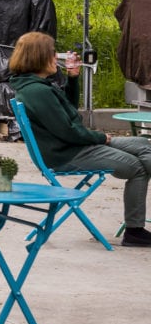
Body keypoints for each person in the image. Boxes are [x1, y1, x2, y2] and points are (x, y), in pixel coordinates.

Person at [8, 31, 151, 248]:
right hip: (68, 153)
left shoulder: (34, 85)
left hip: (72, 146)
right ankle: (134, 232)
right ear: (39, 57)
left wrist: (73, 78)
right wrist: (100, 137)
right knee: (137, 167)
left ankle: (135, 230)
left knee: (142, 144)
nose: (57, 57)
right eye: (53, 53)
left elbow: (67, 108)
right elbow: (67, 131)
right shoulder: (37, 92)